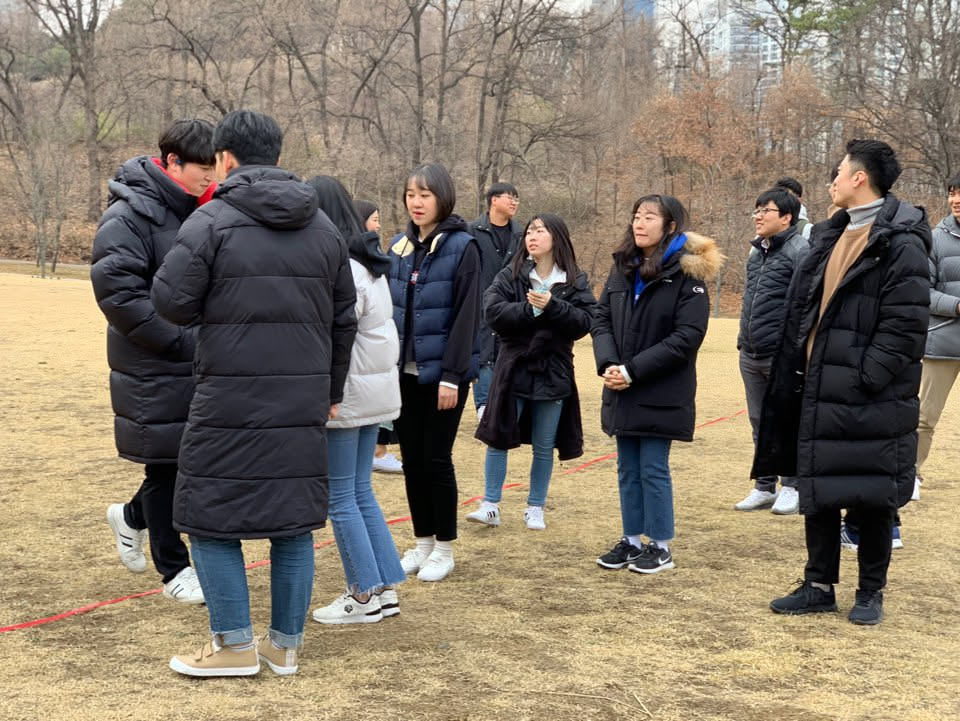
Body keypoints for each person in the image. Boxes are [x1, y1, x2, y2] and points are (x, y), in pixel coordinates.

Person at [153, 110, 358, 676]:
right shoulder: (324, 228)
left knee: (206, 516)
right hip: (302, 400)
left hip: (228, 399)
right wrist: (330, 389)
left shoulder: (211, 220)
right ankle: (282, 647)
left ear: (225, 159)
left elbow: (170, 301)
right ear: (278, 155)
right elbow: (345, 319)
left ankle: (234, 645)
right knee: (293, 520)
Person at [759, 139, 930, 625]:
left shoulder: (901, 240)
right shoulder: (830, 234)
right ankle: (818, 586)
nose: (831, 180)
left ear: (859, 177)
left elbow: (905, 326)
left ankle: (870, 592)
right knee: (818, 485)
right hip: (816, 384)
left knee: (872, 493)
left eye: (838, 172)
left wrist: (864, 377)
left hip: (871, 393)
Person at [91, 119, 217, 605]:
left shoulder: (200, 209)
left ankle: (131, 517)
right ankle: (174, 569)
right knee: (168, 465)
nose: (209, 178)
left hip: (194, 357)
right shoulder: (129, 215)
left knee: (187, 462)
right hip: (153, 360)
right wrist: (181, 342)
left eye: (214, 168)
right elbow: (119, 294)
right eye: (202, 169)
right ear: (172, 162)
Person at [592, 195, 721, 574]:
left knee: (652, 468)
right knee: (627, 468)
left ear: (670, 226)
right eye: (636, 216)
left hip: (661, 389)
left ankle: (660, 546)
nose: (639, 223)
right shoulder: (622, 267)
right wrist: (609, 364)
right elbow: (601, 318)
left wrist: (633, 370)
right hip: (621, 385)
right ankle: (632, 540)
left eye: (649, 217)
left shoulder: (687, 274)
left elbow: (687, 336)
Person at [306, 177, 405, 624]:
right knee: (360, 491)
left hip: (348, 396)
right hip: (372, 394)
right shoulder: (369, 263)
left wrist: (329, 394)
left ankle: (362, 594)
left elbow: (337, 335)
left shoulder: (343, 266)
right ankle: (383, 588)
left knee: (341, 497)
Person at [467, 213, 595, 530]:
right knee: (498, 437)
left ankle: (535, 507)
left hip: (554, 370)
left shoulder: (574, 280)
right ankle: (490, 504)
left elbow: (586, 322)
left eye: (540, 231)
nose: (532, 237)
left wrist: (553, 305)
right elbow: (492, 311)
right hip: (513, 368)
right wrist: (530, 309)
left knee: (544, 444)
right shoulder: (512, 274)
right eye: (529, 232)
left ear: (557, 237)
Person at [387, 162, 482, 582]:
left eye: (425, 194)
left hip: (443, 375)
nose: (416, 202)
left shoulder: (464, 246)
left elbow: (467, 316)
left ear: (442, 198)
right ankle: (422, 541)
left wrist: (452, 375)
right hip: (402, 374)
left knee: (436, 458)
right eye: (411, 194)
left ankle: (444, 548)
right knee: (412, 460)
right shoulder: (399, 246)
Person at [734, 188, 808, 514]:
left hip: (782, 355)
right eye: (757, 210)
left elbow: (806, 305)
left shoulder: (800, 251)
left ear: (787, 217)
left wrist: (793, 349)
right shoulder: (757, 252)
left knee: (787, 421)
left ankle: (792, 485)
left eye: (766, 210)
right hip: (750, 351)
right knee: (758, 421)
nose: (759, 216)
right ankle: (764, 485)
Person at [914, 173, 960, 494]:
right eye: (952, 193)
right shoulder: (933, 239)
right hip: (942, 342)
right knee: (924, 418)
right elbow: (922, 291)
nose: (956, 200)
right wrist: (956, 306)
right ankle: (910, 476)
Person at [355, 198, 404, 474]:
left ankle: (378, 450)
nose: (378, 225)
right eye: (374, 219)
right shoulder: (358, 267)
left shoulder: (375, 263)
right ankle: (377, 452)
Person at [468, 183, 523, 421]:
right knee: (482, 355)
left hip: (510, 308)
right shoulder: (472, 231)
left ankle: (502, 409)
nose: (514, 202)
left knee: (507, 356)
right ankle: (483, 409)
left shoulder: (522, 234)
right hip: (478, 307)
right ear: (493, 200)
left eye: (516, 198)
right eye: (510, 197)